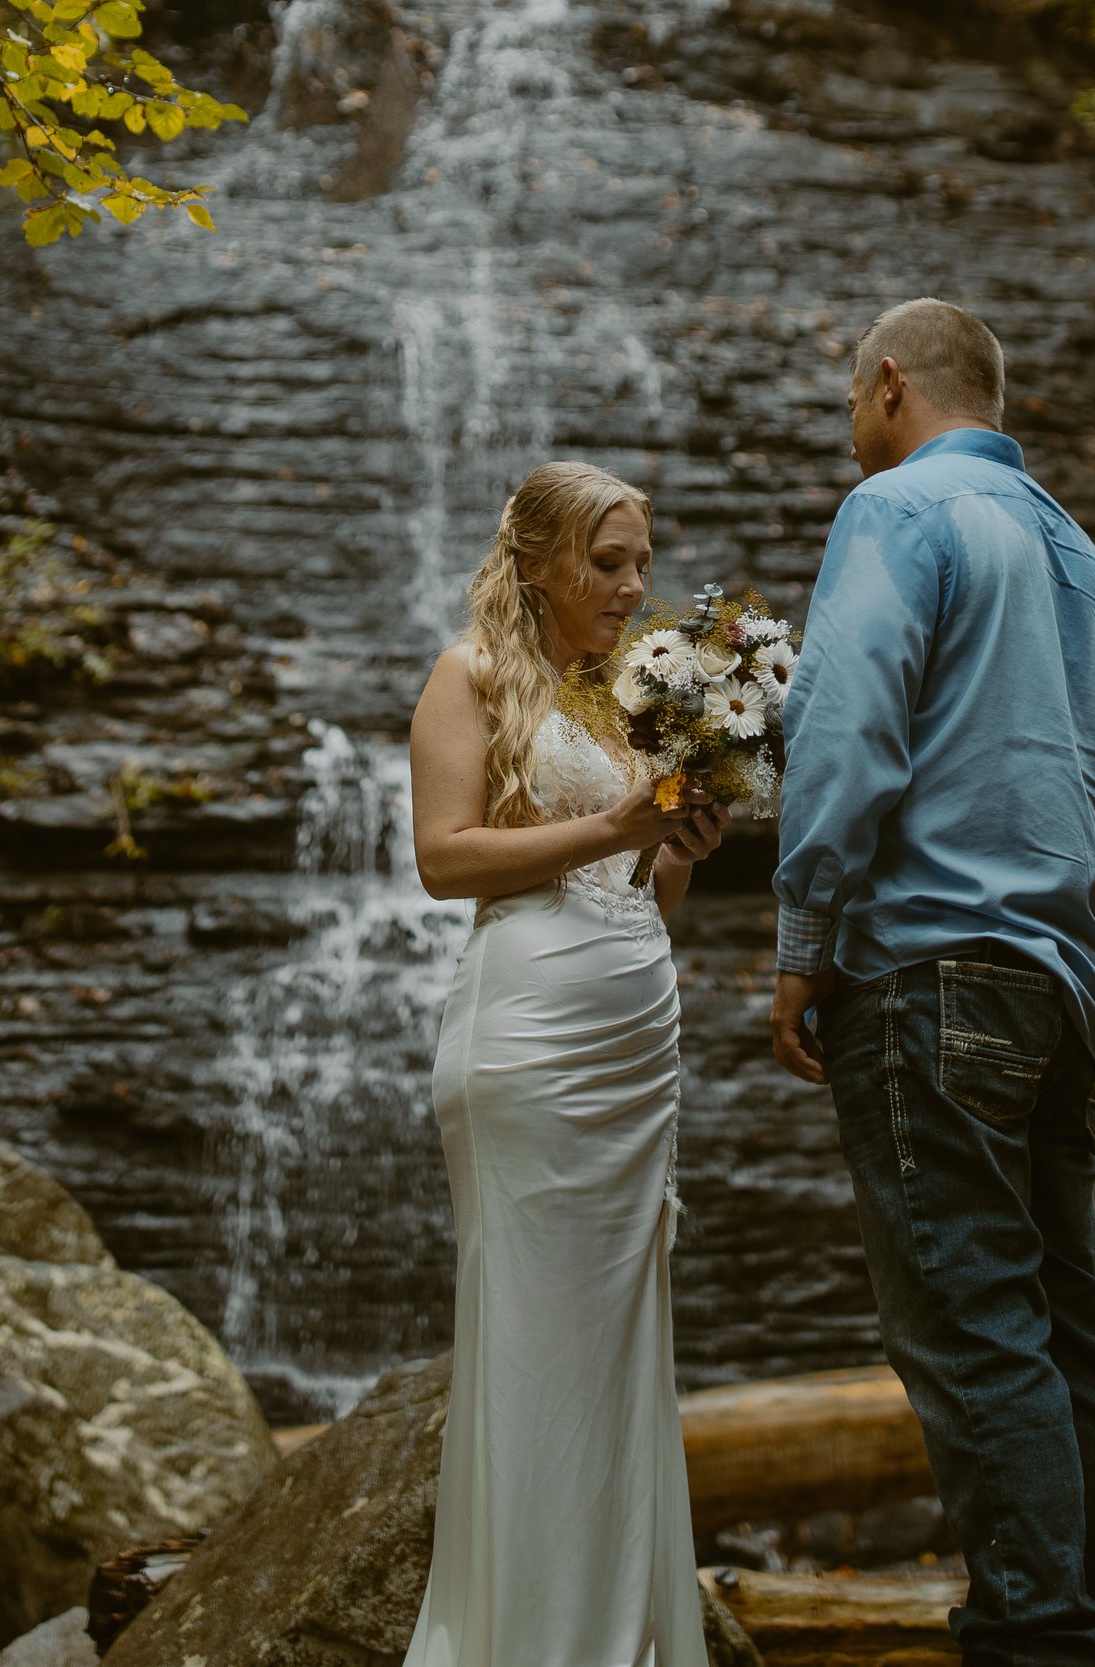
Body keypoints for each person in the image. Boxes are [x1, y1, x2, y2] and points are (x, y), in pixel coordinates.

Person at [769, 299, 1095, 1667]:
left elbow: (846, 727)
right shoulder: (1084, 558)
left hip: (932, 966)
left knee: (971, 1321)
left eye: (851, 401)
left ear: (891, 385)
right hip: (1063, 978)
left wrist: (803, 939)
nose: (851, 427)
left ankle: (1036, 1641)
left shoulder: (896, 512)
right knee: (1072, 1323)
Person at [404, 459, 730, 1667]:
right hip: (529, 1045)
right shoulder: (470, 674)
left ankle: (620, 1636)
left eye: (642, 560)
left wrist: (681, 836)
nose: (634, 583)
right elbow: (443, 859)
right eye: (608, 562)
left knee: (614, 1346)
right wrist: (619, 824)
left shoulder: (630, 693)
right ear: (537, 558)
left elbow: (650, 882)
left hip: (632, 1048)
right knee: (535, 1349)